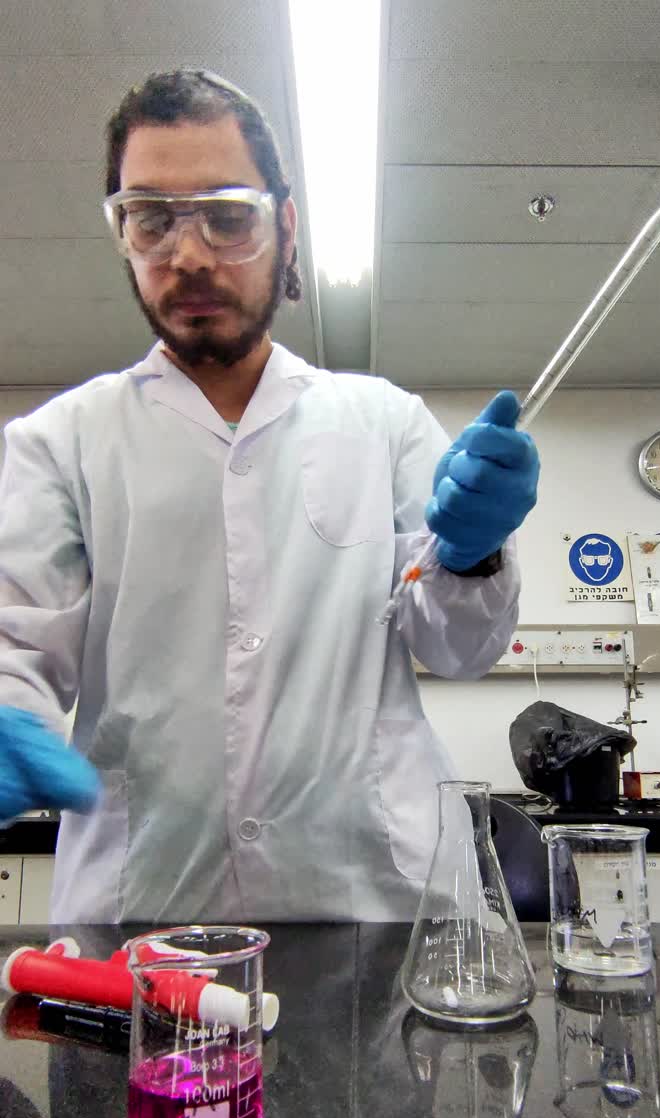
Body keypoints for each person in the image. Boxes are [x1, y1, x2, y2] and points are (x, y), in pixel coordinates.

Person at [0, 69, 539, 924]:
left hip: (381, 913)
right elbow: (16, 643)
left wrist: (469, 556)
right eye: (151, 219)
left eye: (227, 215)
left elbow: (460, 648)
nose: (188, 253)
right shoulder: (56, 444)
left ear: (285, 227)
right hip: (145, 924)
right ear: (122, 236)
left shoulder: (384, 421)